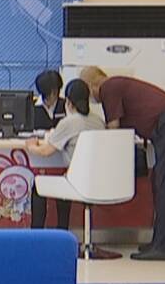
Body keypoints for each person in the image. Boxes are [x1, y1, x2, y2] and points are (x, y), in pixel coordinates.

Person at [82, 66, 165, 261]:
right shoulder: (119, 85)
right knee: (160, 182)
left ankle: (163, 248)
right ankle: (159, 242)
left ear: (92, 85)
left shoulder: (109, 87)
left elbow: (114, 128)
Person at [25, 78, 106, 234]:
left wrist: (31, 146)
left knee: (39, 185)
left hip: (77, 181)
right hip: (98, 180)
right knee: (63, 183)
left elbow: (45, 152)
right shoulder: (99, 122)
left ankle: (36, 235)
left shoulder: (68, 122)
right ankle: (63, 231)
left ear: (68, 102)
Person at [29, 70, 72, 230]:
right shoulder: (32, 107)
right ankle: (37, 233)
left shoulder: (67, 106)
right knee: (38, 190)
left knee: (63, 193)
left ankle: (62, 231)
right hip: (40, 160)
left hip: (62, 161)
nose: (54, 95)